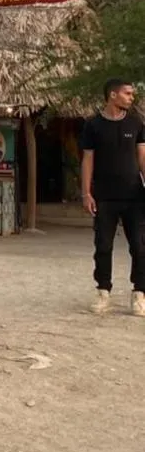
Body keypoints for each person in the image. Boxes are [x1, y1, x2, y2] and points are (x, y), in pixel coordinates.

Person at [80, 78, 145, 316]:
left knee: (139, 247)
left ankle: (139, 294)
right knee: (103, 246)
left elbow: (142, 157)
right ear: (113, 95)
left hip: (134, 196)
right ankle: (103, 292)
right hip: (104, 197)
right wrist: (86, 193)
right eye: (128, 93)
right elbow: (87, 160)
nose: (131, 97)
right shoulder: (93, 125)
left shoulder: (136, 122)